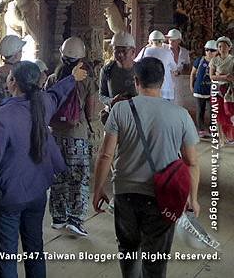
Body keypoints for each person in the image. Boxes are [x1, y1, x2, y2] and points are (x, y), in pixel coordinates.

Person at [0, 61, 88, 278]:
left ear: (12, 81)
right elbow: (56, 94)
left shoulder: (1, 118)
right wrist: (72, 78)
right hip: (37, 192)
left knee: (7, 256)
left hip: (10, 197)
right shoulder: (43, 103)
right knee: (34, 249)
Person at [93, 57, 200, 278]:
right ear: (162, 81)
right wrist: (193, 197)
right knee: (156, 257)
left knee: (128, 250)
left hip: (126, 193)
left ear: (136, 81)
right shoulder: (180, 115)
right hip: (163, 196)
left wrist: (98, 189)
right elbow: (192, 162)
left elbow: (105, 155)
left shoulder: (120, 110)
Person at [46, 36, 97, 237]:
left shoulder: (52, 79)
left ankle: (58, 217)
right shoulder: (87, 81)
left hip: (55, 136)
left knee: (58, 176)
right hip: (77, 135)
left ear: (62, 55)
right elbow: (91, 113)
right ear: (81, 58)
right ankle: (75, 219)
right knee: (79, 178)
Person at [99, 32, 137, 122]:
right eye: (117, 50)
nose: (120, 54)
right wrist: (112, 101)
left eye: (124, 51)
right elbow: (101, 95)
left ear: (133, 52)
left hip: (136, 118)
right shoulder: (107, 70)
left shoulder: (141, 70)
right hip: (115, 117)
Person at [135, 30, 177, 100]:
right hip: (165, 89)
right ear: (162, 41)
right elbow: (174, 68)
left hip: (148, 88)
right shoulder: (167, 53)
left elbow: (135, 63)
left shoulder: (145, 51)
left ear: (150, 41)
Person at [190, 40, 218, 137]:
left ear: (217, 51)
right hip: (200, 89)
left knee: (213, 111)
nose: (209, 52)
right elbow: (193, 73)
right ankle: (201, 129)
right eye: (207, 50)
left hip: (212, 90)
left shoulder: (217, 62)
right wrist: (191, 86)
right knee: (200, 110)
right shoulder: (200, 60)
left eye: (212, 50)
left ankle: (212, 129)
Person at [209, 36, 234, 143]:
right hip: (217, 89)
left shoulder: (232, 60)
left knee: (230, 112)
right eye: (219, 47)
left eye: (224, 47)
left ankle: (231, 136)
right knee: (218, 113)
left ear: (229, 48)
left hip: (229, 90)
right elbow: (212, 76)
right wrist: (223, 77)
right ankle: (221, 137)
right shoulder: (214, 60)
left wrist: (220, 75)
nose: (222, 49)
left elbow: (232, 76)